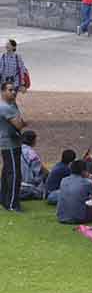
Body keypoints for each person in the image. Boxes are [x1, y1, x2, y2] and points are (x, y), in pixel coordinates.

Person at [0, 82, 27, 210]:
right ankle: (12, 204)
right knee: (14, 174)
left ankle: (4, 199)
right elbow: (20, 124)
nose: (14, 92)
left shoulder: (11, 105)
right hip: (9, 144)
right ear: (3, 91)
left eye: (14, 90)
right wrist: (22, 122)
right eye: (10, 90)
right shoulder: (5, 107)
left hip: (12, 142)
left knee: (7, 172)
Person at [18, 130, 45, 200]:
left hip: (15, 184)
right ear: (33, 140)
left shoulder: (15, 150)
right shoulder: (32, 154)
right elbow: (38, 172)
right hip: (28, 186)